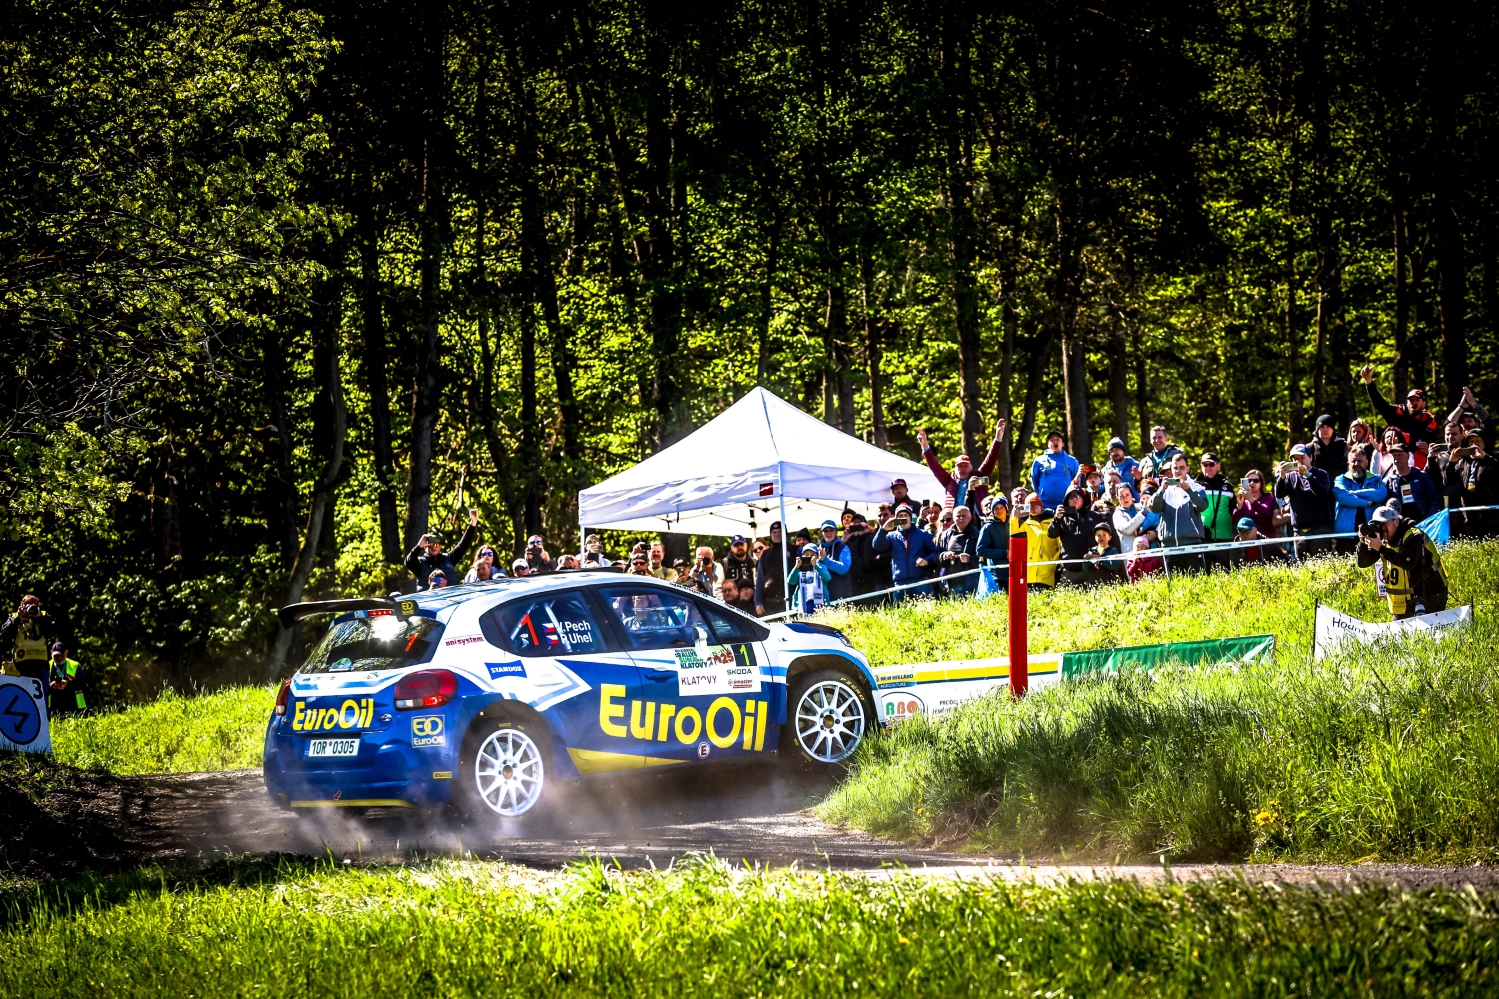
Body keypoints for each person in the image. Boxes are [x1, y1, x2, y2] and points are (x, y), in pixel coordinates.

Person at [1356, 506, 1448, 619]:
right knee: (1399, 630)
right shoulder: (1382, 539)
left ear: (1396, 522)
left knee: (1429, 629)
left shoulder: (1414, 536)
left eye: (1384, 524)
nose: (1381, 528)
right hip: (1403, 601)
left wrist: (1380, 548)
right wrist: (1363, 542)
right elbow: (1363, 563)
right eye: (1378, 524)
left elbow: (1407, 562)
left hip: (1431, 593)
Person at [916, 419, 1007, 517]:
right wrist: (925, 446)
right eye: (959, 466)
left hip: (977, 519)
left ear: (971, 467)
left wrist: (998, 438)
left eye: (965, 466)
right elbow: (935, 466)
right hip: (954, 519)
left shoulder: (980, 476)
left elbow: (991, 459)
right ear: (955, 469)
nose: (963, 468)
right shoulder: (949, 480)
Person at [1360, 364, 1438, 469]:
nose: (1414, 403)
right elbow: (1379, 403)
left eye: (1417, 400)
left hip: (1420, 467)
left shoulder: (1429, 421)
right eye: (1411, 400)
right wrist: (1368, 381)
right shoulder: (1398, 412)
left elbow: (1435, 444)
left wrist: (1429, 449)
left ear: (1424, 403)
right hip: (1395, 465)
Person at [1148, 453, 1209, 573]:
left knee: (1197, 582)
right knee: (1174, 584)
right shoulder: (1165, 489)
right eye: (1175, 468)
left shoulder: (1197, 487)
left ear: (1187, 469)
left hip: (1192, 544)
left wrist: (1189, 490)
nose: (1178, 471)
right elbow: (1154, 508)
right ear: (1171, 469)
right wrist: (1161, 490)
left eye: (1182, 467)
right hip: (1169, 546)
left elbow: (1202, 506)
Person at [1274, 444, 1333, 556]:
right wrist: (1281, 478)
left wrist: (1308, 475)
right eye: (1295, 459)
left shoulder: (1321, 474)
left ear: (1310, 457)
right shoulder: (1290, 476)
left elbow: (1322, 493)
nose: (1299, 461)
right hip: (1299, 532)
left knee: (1321, 563)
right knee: (1302, 565)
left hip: (1320, 530)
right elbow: (1279, 494)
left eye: (1302, 457)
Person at [871, 504, 939, 600]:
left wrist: (926, 560)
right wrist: (883, 530)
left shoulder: (922, 534)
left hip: (921, 581)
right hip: (900, 583)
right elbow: (877, 546)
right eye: (900, 516)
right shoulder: (891, 536)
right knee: (901, 609)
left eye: (906, 515)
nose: (903, 518)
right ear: (896, 519)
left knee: (925, 609)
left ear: (910, 518)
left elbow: (935, 552)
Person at [404, 508, 480, 590]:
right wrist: (419, 546)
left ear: (440, 547)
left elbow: (463, 545)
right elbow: (408, 562)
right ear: (425, 547)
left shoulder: (449, 559)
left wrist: (473, 524)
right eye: (430, 545)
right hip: (428, 597)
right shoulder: (420, 563)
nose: (434, 547)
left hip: (451, 596)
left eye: (436, 545)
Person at [1050, 488, 1108, 586]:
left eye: (1077, 496)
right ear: (1066, 501)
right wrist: (1056, 519)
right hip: (1070, 569)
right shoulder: (1062, 518)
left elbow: (1106, 537)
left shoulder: (1095, 516)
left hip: (1092, 567)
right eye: (1071, 496)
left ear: (1083, 499)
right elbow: (1052, 534)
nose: (1074, 499)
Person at [1332, 449, 1388, 551]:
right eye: (1353, 461)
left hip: (1371, 533)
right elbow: (1342, 496)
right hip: (1346, 535)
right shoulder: (1340, 479)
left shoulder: (1376, 479)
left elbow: (1381, 494)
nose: (1356, 464)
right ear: (1348, 464)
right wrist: (1366, 503)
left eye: (1360, 461)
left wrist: (1355, 493)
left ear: (1366, 463)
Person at [1, 594, 64, 682]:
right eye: (28, 605)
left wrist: (40, 618)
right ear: (22, 606)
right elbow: (5, 633)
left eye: (34, 605)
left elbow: (53, 631)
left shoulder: (43, 615)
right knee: (23, 690)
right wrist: (18, 618)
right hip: (21, 663)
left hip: (41, 664)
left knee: (42, 690)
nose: (31, 608)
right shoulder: (15, 616)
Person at [1452, 427, 1498, 537]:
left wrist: (1485, 458)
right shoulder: (1463, 462)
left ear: (1485, 442)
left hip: (1492, 511)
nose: (1474, 444)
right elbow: (1448, 481)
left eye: (1478, 440)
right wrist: (1451, 462)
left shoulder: (1494, 457)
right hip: (1470, 512)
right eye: (1471, 441)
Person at [1195, 451, 1238, 567]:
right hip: (1202, 536)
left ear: (1218, 466)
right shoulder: (1194, 486)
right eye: (1205, 465)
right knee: (1204, 572)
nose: (1208, 468)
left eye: (1211, 464)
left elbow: (1233, 509)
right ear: (1201, 466)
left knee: (1225, 572)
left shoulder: (1228, 486)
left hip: (1224, 535)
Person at [1011, 492, 1061, 590]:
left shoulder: (1053, 523)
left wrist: (1053, 563)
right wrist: (1014, 519)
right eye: (1029, 507)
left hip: (1046, 572)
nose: (1032, 509)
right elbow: (1015, 540)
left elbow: (1060, 546)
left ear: (1040, 506)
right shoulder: (1025, 524)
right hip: (1028, 573)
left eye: (1034, 505)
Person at [1381, 442, 1441, 521]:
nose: (1396, 458)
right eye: (1394, 455)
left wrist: (1429, 517)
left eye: (1400, 455)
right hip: (1401, 524)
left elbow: (1434, 498)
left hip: (1423, 522)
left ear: (1408, 456)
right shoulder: (1388, 481)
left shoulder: (1421, 476)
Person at [935, 504, 981, 597]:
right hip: (949, 581)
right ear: (953, 518)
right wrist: (944, 556)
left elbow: (984, 557)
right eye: (958, 516)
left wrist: (970, 559)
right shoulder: (946, 535)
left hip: (971, 581)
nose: (961, 518)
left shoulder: (978, 535)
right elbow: (936, 555)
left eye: (964, 516)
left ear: (970, 517)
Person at [843, 513, 891, 604]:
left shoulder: (871, 537)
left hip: (872, 581)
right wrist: (844, 540)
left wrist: (872, 530)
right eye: (854, 523)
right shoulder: (847, 541)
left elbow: (883, 542)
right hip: (854, 582)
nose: (857, 525)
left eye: (859, 523)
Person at [1030, 430, 1080, 510]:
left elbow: (1077, 481)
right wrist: (1041, 492)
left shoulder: (1072, 461)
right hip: (1044, 504)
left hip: (1065, 503)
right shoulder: (1038, 461)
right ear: (1048, 444)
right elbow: (1034, 480)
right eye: (1052, 440)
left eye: (1058, 439)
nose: (1055, 441)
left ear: (1062, 444)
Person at [974, 496, 1010, 592]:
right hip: (997, 574)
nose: (999, 511)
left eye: (1001, 507)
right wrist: (1004, 553)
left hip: (1015, 572)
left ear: (1006, 509)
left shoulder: (1013, 524)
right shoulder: (987, 527)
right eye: (996, 508)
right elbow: (980, 550)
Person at [754, 521, 788, 617]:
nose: (777, 534)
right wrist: (758, 603)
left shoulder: (794, 550)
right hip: (770, 604)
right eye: (774, 532)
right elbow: (760, 580)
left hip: (789, 601)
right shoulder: (765, 554)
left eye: (780, 531)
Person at [787, 544, 833, 614]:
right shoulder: (799, 569)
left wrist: (816, 566)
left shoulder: (821, 567)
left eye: (812, 555)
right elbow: (791, 581)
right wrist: (796, 568)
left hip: (820, 602)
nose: (809, 557)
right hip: (803, 602)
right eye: (806, 555)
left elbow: (827, 578)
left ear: (817, 556)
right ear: (802, 556)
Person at [815, 520, 853, 602]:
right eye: (825, 531)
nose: (828, 533)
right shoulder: (816, 549)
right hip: (821, 595)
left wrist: (825, 560)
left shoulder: (843, 547)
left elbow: (843, 569)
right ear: (822, 533)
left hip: (841, 595)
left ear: (836, 532)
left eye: (831, 530)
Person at [1307, 414, 1349, 485]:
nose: (1325, 429)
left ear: (1333, 429)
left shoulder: (1343, 446)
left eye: (1328, 426)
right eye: (1322, 427)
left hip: (1339, 487)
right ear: (1317, 429)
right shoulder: (1309, 448)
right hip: (1316, 487)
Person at [47, 643, 86, 715]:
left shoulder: (75, 665)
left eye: (61, 655)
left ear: (66, 652)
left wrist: (68, 684)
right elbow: (41, 685)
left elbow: (83, 684)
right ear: (51, 653)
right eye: (56, 656)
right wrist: (50, 685)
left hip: (73, 708)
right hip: (53, 709)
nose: (59, 658)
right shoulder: (47, 666)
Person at [1111, 482, 1148, 553]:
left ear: (1132, 495)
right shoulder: (1117, 514)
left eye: (1127, 495)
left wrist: (1155, 532)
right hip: (1131, 553)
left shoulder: (1141, 507)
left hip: (1148, 550)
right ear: (1118, 498)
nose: (1125, 498)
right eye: (1121, 496)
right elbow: (1127, 529)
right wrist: (1143, 513)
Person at [721, 535, 757, 609]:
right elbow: (718, 588)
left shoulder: (754, 562)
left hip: (753, 604)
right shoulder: (724, 563)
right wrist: (723, 606)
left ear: (746, 546)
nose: (739, 547)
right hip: (732, 606)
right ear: (732, 548)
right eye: (736, 545)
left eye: (741, 544)